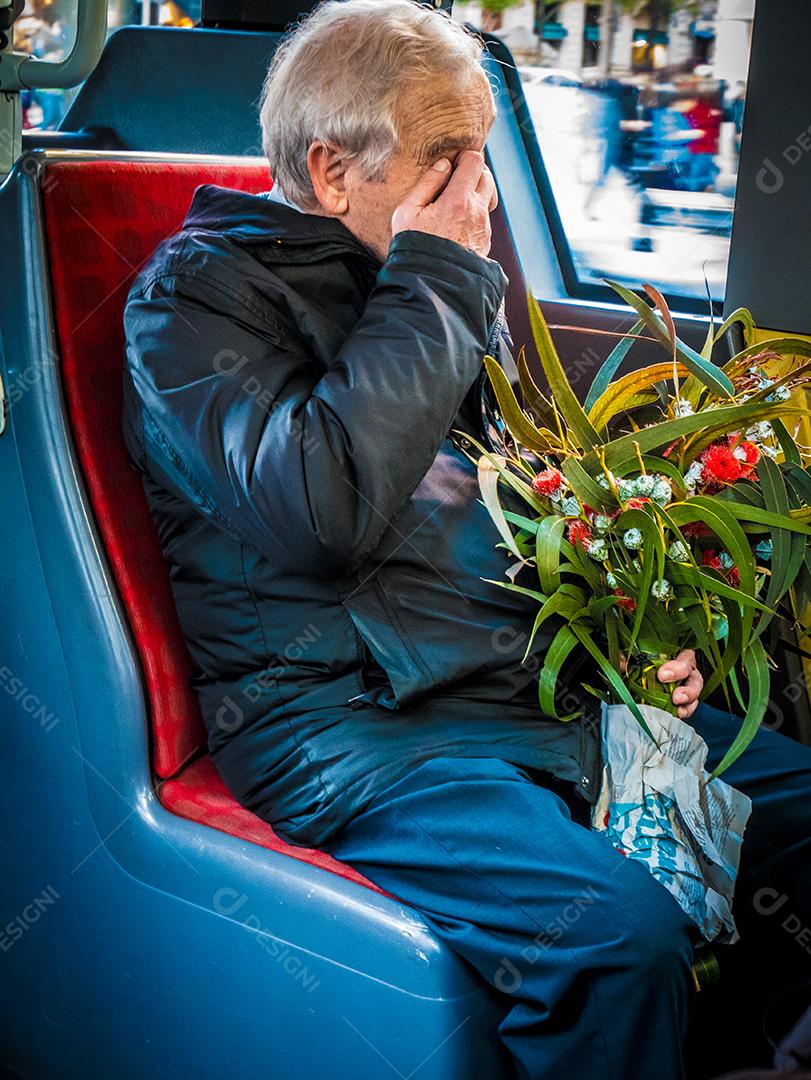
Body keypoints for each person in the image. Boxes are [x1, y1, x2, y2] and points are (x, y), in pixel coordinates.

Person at [122, 2, 811, 1076]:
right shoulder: (193, 304)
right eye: (447, 159)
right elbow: (322, 508)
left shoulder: (421, 275)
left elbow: (504, 500)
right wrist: (437, 277)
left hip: (514, 682)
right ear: (332, 168)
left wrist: (625, 633)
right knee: (612, 945)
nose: (476, 192)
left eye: (480, 154)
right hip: (356, 725)